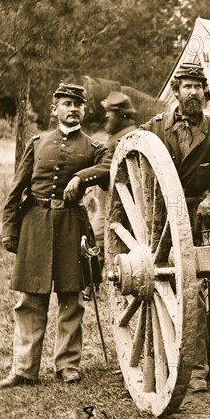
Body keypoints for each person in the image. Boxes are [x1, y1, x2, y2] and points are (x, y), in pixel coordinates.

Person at [140, 62, 210, 392]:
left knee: (197, 294)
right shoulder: (156, 128)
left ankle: (198, 369)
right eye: (186, 86)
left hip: (198, 218)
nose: (192, 92)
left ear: (204, 93)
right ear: (175, 92)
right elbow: (136, 158)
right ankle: (159, 360)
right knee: (161, 290)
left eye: (197, 87)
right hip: (161, 223)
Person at [0, 83, 111, 389]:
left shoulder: (93, 147)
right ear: (54, 109)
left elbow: (110, 166)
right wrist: (10, 230)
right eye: (66, 103)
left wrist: (80, 177)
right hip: (35, 224)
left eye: (78, 104)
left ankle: (68, 365)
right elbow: (17, 188)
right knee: (30, 299)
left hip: (72, 224)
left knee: (71, 298)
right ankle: (23, 368)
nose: (72, 109)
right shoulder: (37, 142)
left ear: (84, 110)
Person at [84, 90, 138, 289]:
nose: (106, 116)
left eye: (110, 113)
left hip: (117, 201)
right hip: (110, 197)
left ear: (122, 115)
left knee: (97, 236)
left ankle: (91, 284)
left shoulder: (125, 137)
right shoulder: (118, 135)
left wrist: (83, 177)